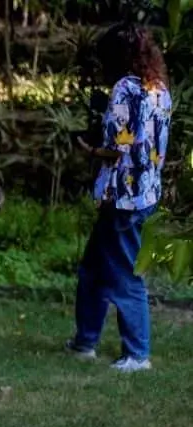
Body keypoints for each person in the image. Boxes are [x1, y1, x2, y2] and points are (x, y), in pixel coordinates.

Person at [66, 23, 171, 372]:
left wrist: (89, 149)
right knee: (94, 268)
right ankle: (85, 341)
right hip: (145, 192)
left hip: (123, 197)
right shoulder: (159, 88)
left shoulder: (125, 88)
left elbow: (116, 146)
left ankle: (138, 355)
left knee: (125, 275)